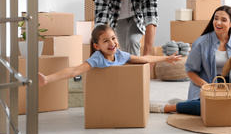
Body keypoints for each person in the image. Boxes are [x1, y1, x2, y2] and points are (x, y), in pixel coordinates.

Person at [150, 5, 231, 115]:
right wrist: (207, 87)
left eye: (223, 20)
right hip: (205, 83)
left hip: (229, 86)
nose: (218, 23)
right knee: (207, 108)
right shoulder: (201, 43)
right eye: (215, 19)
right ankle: (168, 107)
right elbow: (190, 71)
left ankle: (186, 104)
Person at [38, 25, 180, 86]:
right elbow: (74, 71)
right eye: (106, 41)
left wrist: (166, 58)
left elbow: (146, 58)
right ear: (97, 46)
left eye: (113, 38)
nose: (112, 43)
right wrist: (47, 79)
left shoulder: (120, 55)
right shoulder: (98, 58)